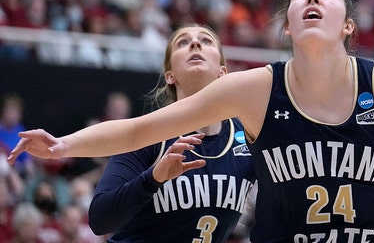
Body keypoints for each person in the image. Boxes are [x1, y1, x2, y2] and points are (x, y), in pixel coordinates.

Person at [8, 0, 374, 242]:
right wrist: (63, 143)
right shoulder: (252, 90)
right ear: (287, 24)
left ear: (348, 24)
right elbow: (142, 128)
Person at [88, 24, 256, 242]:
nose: (195, 43)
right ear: (170, 76)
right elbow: (100, 220)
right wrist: (154, 178)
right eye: (183, 43)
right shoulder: (149, 133)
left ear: (222, 72)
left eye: (206, 41)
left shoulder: (248, 135)